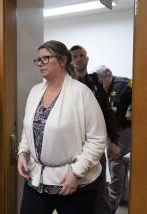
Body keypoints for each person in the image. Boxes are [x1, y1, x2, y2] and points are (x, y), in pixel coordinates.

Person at [17, 40, 106, 214]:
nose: (40, 64)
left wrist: (76, 172)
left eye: (46, 58)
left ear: (63, 61)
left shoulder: (82, 93)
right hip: (36, 180)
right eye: (38, 60)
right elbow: (29, 129)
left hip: (72, 182)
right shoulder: (35, 91)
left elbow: (97, 139)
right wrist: (22, 152)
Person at [70, 45, 119, 214]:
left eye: (81, 55)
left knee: (99, 187)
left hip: (96, 145)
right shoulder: (66, 85)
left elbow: (107, 113)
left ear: (87, 58)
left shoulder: (95, 83)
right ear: (70, 60)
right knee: (75, 187)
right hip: (73, 146)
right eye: (74, 56)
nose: (78, 59)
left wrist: (114, 142)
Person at [94, 65, 132, 214]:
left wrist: (132, 108)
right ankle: (123, 199)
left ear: (108, 75)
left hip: (124, 133)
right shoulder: (102, 89)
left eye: (101, 80)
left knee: (115, 167)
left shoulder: (124, 84)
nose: (99, 83)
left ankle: (110, 209)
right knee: (118, 167)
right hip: (112, 134)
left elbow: (142, 86)